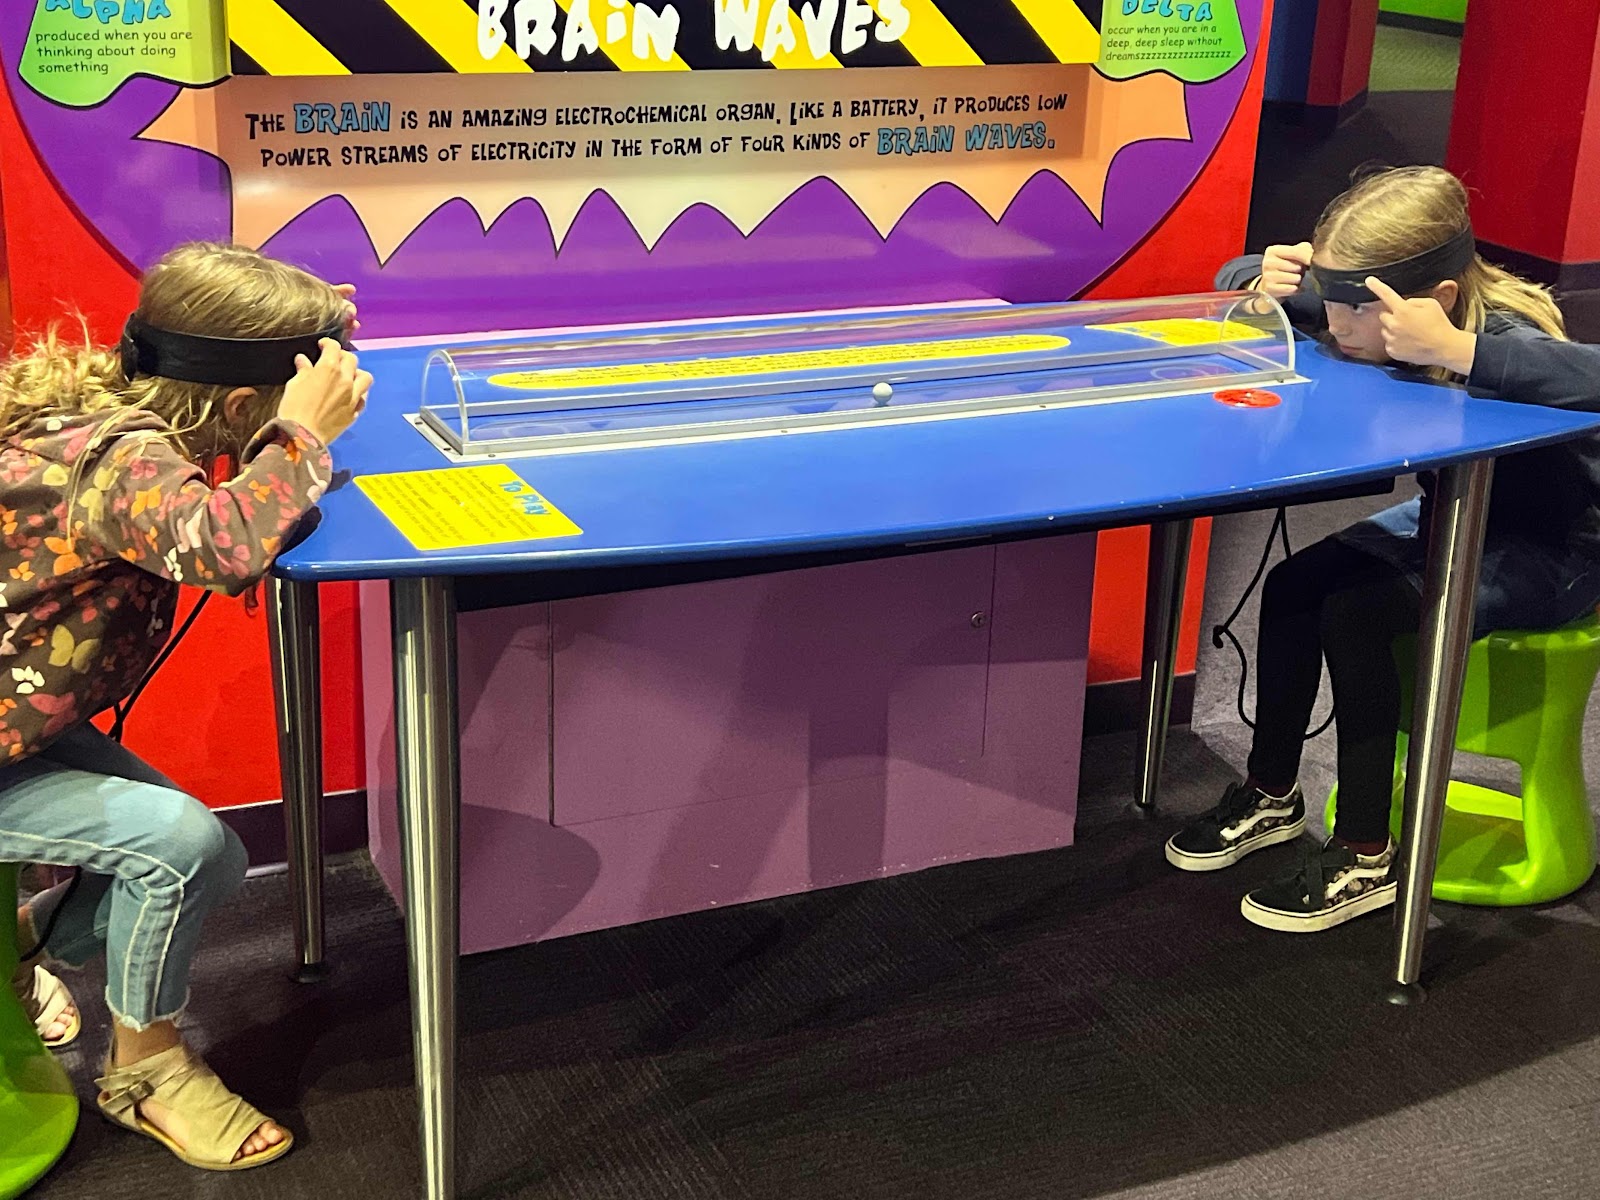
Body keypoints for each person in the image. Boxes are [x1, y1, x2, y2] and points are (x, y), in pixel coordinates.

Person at [3, 241, 370, 1169]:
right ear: (243, 408)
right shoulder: (119, 463)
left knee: (202, 853)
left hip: (18, 729)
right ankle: (147, 1072)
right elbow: (222, 543)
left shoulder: (98, 412)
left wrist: (314, 333)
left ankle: (17, 949)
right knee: (180, 847)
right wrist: (302, 436)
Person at [1164, 165, 1600, 932]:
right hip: (1452, 513)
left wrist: (1462, 353)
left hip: (1556, 549)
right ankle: (1271, 793)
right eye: (1329, 301)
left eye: (1351, 309)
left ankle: (1366, 854)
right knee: (1294, 585)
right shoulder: (1372, 312)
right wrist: (1257, 278)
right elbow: (1243, 281)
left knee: (1358, 613)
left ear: (1438, 302)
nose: (1334, 325)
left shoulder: (1503, 336)